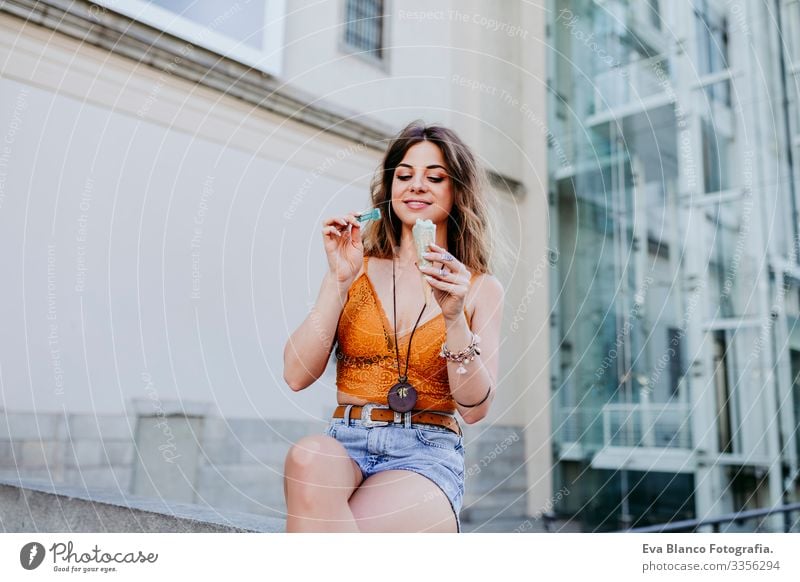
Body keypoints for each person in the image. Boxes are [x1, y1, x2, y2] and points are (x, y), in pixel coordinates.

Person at [282, 120, 504, 533]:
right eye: (404, 175)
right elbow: (296, 375)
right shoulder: (354, 267)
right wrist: (337, 281)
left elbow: (476, 409)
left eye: (434, 177)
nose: (416, 185)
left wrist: (454, 317)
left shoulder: (478, 288)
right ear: (389, 190)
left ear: (457, 193)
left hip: (425, 453)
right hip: (346, 439)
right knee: (306, 457)